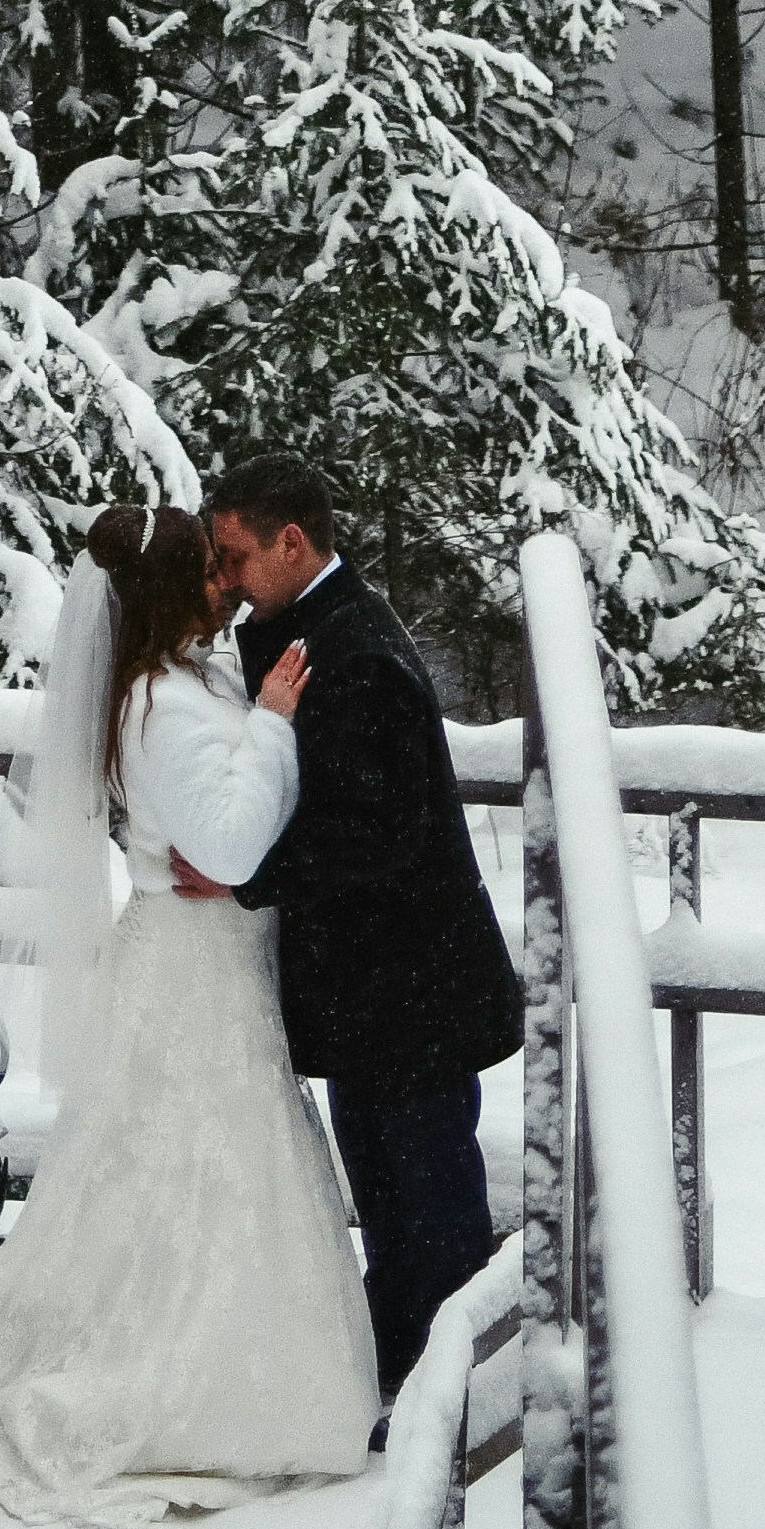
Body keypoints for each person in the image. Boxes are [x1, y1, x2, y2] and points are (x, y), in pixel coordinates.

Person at [0, 502, 382, 1529]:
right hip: (196, 973)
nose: (225, 583)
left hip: (204, 959)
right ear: (165, 593)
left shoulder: (181, 680)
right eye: (207, 571)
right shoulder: (163, 703)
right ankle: (173, 1384)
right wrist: (275, 726)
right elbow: (230, 850)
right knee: (192, 1168)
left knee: (181, 1171)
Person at [201, 449, 521, 1400]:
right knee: (385, 1198)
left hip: (410, 988)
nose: (222, 579)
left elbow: (369, 836)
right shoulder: (305, 627)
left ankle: (462, 1394)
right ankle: (401, 1372)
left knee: (431, 1202)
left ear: (291, 542)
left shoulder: (358, 654)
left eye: (234, 556)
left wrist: (238, 873)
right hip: (374, 987)